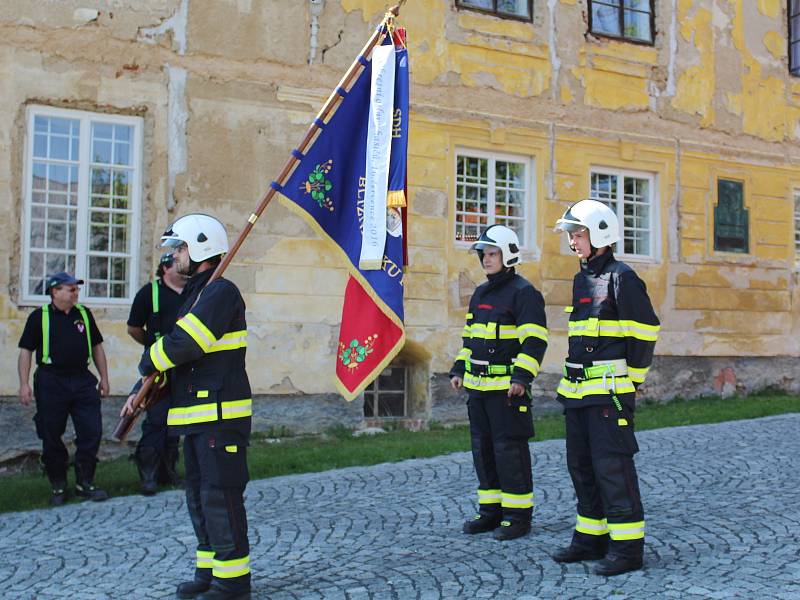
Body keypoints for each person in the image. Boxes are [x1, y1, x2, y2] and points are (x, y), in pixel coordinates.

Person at [123, 214, 252, 600]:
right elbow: (177, 356)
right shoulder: (198, 294)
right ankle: (210, 572)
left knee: (220, 497)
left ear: (199, 247)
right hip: (196, 420)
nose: (175, 256)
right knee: (198, 497)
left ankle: (233, 583)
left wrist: (148, 360)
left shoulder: (220, 292)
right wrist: (141, 388)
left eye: (179, 248)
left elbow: (185, 344)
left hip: (219, 418)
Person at [551, 199, 660, 576]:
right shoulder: (582, 279)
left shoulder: (622, 277)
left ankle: (628, 550)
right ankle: (589, 538)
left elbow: (644, 332)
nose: (572, 242)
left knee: (612, 469)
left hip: (609, 396)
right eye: (570, 235)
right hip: (578, 395)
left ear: (600, 234)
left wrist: (633, 382)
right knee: (580, 467)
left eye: (577, 234)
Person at [449, 225, 548, 541]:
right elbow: (470, 339)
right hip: (477, 390)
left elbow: (534, 341)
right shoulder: (480, 293)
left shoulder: (524, 293)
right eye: (483, 254)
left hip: (507, 391)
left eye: (492, 254)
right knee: (483, 451)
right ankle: (491, 512)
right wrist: (459, 368)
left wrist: (521, 377)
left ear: (508, 255)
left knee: (510, 452)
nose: (486, 259)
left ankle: (518, 517)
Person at [17, 272, 110, 506]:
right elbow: (26, 351)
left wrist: (104, 378)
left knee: (92, 431)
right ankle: (58, 485)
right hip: (51, 380)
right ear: (55, 291)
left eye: (76, 289)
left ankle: (85, 482)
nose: (76, 293)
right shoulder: (39, 317)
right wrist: (24, 384)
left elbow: (97, 347)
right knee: (51, 434)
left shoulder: (84, 315)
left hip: (82, 379)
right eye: (71, 289)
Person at [127, 252, 186, 495]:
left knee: (176, 423)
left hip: (184, 367)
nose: (184, 264)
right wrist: (153, 347)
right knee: (156, 422)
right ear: (165, 268)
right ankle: (148, 476)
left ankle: (168, 471)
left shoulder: (194, 291)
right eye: (178, 261)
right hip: (159, 369)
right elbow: (134, 329)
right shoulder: (148, 294)